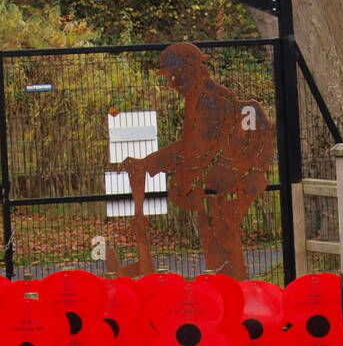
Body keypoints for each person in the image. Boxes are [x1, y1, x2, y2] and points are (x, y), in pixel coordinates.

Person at [116, 42, 275, 279]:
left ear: (189, 71)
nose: (171, 83)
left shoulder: (210, 101)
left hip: (223, 188)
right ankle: (228, 288)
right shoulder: (200, 98)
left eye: (174, 76)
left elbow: (196, 149)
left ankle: (232, 291)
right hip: (213, 189)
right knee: (217, 243)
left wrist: (150, 164)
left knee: (221, 241)